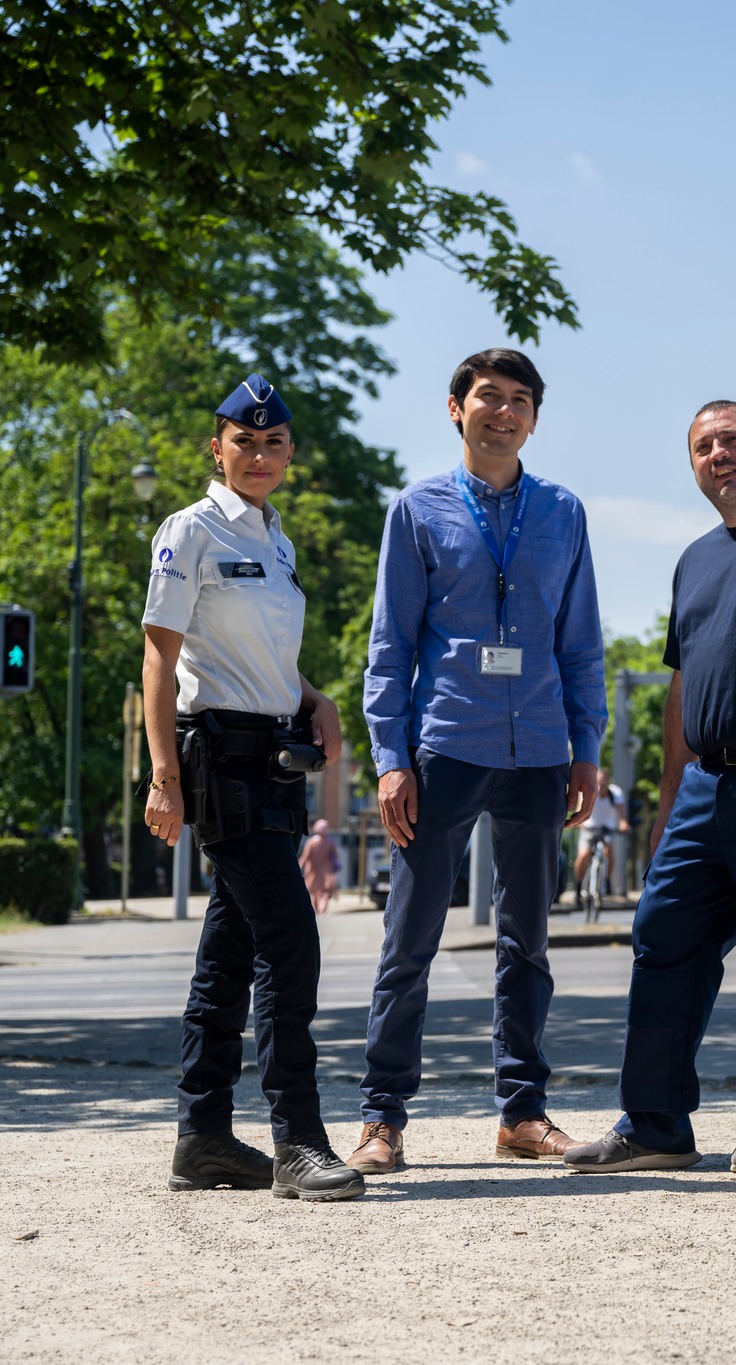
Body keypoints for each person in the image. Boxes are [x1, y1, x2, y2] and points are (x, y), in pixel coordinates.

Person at [352, 347, 608, 1173]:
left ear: (534, 418)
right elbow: (390, 646)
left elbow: (581, 643)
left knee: (527, 942)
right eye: (488, 396)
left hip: (539, 750)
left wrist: (587, 748)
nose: (504, 412)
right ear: (455, 407)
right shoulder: (416, 509)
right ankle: (382, 1118)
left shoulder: (563, 511)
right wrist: (391, 758)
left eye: (520, 400)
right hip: (445, 745)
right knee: (410, 940)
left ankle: (522, 1112)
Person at [564, 400, 736, 1176]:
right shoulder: (695, 558)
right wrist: (670, 793)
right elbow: (683, 686)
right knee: (662, 936)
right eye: (703, 447)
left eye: (732, 440)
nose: (718, 455)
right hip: (703, 787)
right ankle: (655, 1124)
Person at [141, 374, 365, 1201]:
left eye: (274, 443)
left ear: (290, 453)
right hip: (219, 762)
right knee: (289, 942)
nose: (260, 454)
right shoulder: (190, 530)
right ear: (218, 447)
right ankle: (298, 1139)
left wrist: (314, 696)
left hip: (274, 761)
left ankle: (202, 1137)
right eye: (245, 440)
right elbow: (161, 655)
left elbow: (262, 656)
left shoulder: (279, 542)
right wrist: (164, 776)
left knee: (229, 952)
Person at [573, 766, 628, 903]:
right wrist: (579, 822)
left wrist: (623, 823)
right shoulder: (590, 789)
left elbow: (621, 812)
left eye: (605, 780)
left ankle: (607, 881)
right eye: (600, 780)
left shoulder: (615, 793)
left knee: (608, 851)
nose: (602, 783)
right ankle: (578, 886)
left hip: (607, 829)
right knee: (583, 855)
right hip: (589, 828)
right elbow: (580, 807)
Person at [298, 818, 340, 914]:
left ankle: (316, 909)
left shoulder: (311, 842)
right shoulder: (330, 843)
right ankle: (322, 906)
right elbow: (336, 856)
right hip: (326, 871)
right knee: (326, 891)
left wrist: (298, 866)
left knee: (313, 892)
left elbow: (305, 856)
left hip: (312, 870)